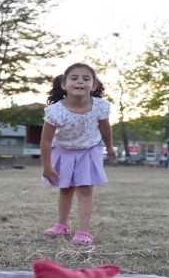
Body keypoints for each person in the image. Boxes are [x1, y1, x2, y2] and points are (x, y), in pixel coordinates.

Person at [40, 63, 116, 246]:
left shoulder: (100, 106)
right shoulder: (55, 111)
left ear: (94, 85)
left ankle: (83, 232)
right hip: (64, 150)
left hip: (89, 150)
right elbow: (46, 140)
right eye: (74, 78)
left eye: (86, 78)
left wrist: (110, 146)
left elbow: (106, 129)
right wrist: (47, 166)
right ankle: (62, 225)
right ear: (64, 84)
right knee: (65, 189)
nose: (80, 81)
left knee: (85, 189)